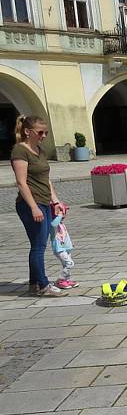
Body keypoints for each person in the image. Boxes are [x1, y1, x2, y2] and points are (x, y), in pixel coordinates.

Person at [10, 115, 66, 297]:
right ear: (28, 132)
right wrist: (34, 207)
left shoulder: (39, 150)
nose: (44, 136)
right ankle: (43, 285)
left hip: (44, 201)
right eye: (40, 132)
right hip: (30, 204)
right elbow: (21, 182)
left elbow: (46, 179)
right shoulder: (20, 150)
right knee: (39, 246)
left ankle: (34, 284)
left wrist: (55, 200)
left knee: (37, 244)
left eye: (46, 132)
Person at [50, 204, 78, 289]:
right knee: (70, 264)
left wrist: (69, 244)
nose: (64, 214)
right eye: (62, 211)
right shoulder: (53, 223)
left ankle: (67, 280)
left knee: (65, 265)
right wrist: (59, 215)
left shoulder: (61, 223)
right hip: (59, 249)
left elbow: (65, 236)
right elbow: (53, 224)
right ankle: (60, 280)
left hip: (65, 248)